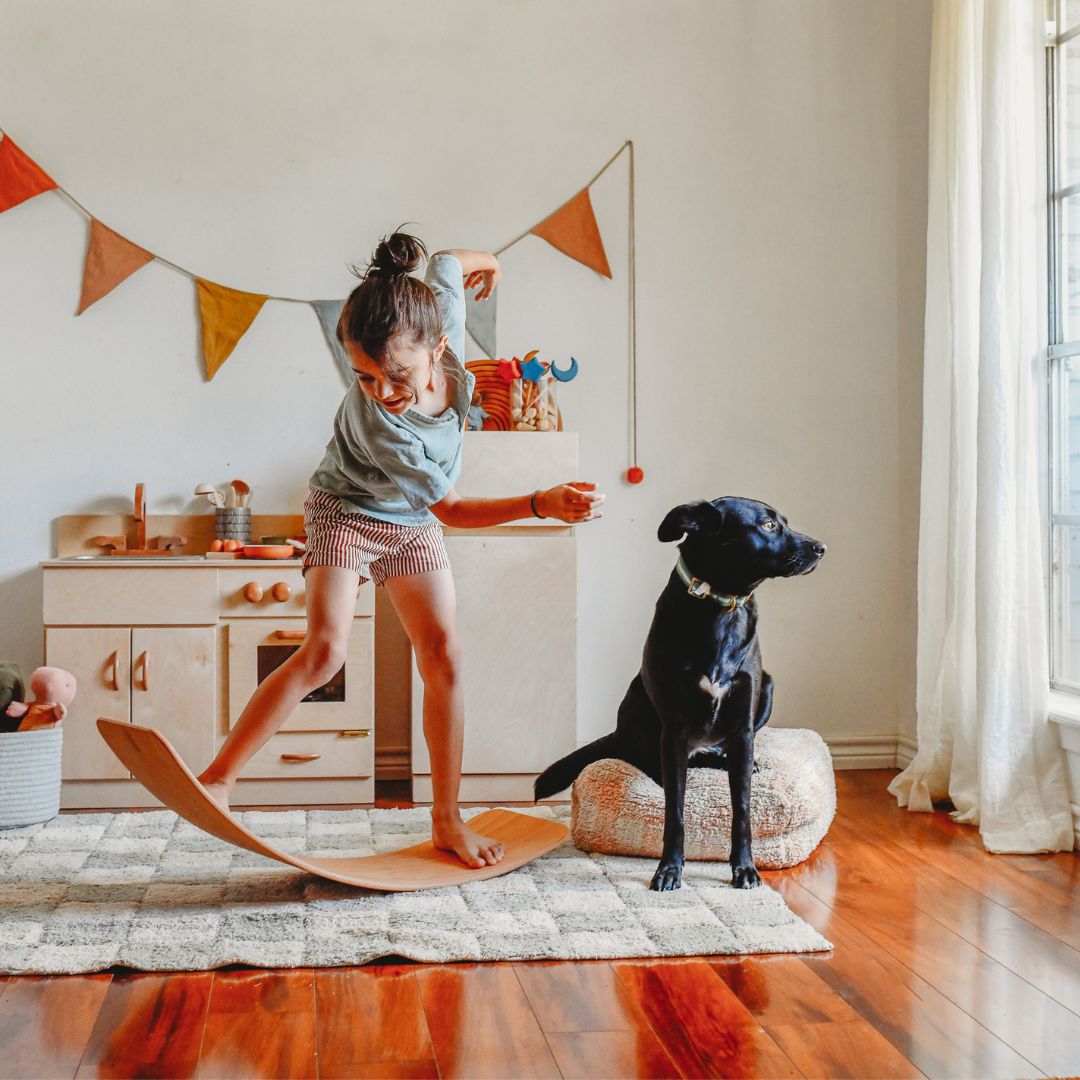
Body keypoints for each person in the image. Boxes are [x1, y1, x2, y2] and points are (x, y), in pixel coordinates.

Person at [196, 228, 605, 869]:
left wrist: (489, 261)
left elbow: (446, 263)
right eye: (363, 376)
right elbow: (454, 511)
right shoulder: (385, 425)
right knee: (325, 650)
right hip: (345, 511)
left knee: (445, 656)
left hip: (408, 520)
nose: (383, 391)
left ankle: (447, 820)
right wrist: (538, 503)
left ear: (440, 344)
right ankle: (218, 778)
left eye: (398, 375)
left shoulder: (436, 307)